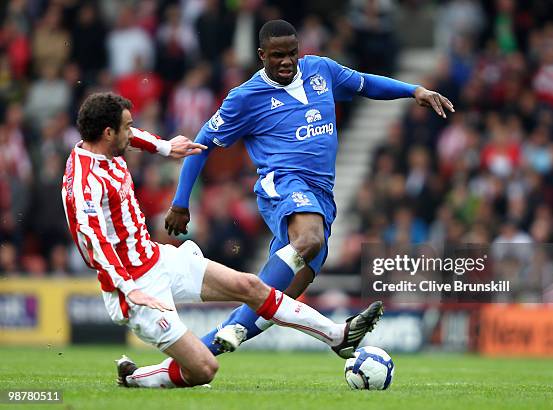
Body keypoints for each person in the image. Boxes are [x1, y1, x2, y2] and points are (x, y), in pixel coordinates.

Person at [164, 20, 454, 355]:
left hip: (321, 196)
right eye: (277, 56)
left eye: (291, 54)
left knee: (281, 298)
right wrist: (181, 202)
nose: (286, 61)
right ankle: (239, 327)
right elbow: (202, 143)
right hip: (284, 184)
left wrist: (413, 90)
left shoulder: (321, 70)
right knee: (310, 239)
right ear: (262, 56)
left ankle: (186, 360)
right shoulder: (244, 97)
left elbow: (365, 84)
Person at [62, 92, 383, 389]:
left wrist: (163, 147)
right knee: (203, 370)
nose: (132, 133)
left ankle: (338, 336)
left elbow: (136, 138)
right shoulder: (84, 182)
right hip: (131, 288)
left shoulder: (106, 146)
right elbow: (93, 243)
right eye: (127, 128)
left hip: (156, 258)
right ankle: (134, 377)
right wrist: (129, 289)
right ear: (108, 133)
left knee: (252, 288)